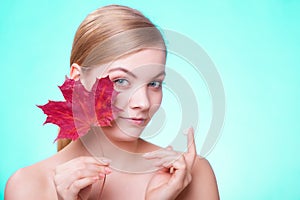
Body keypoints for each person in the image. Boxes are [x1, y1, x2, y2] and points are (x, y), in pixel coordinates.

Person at [5, 5, 219, 200]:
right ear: (77, 80)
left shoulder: (192, 175)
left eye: (154, 83)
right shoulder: (28, 186)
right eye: (121, 81)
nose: (143, 103)